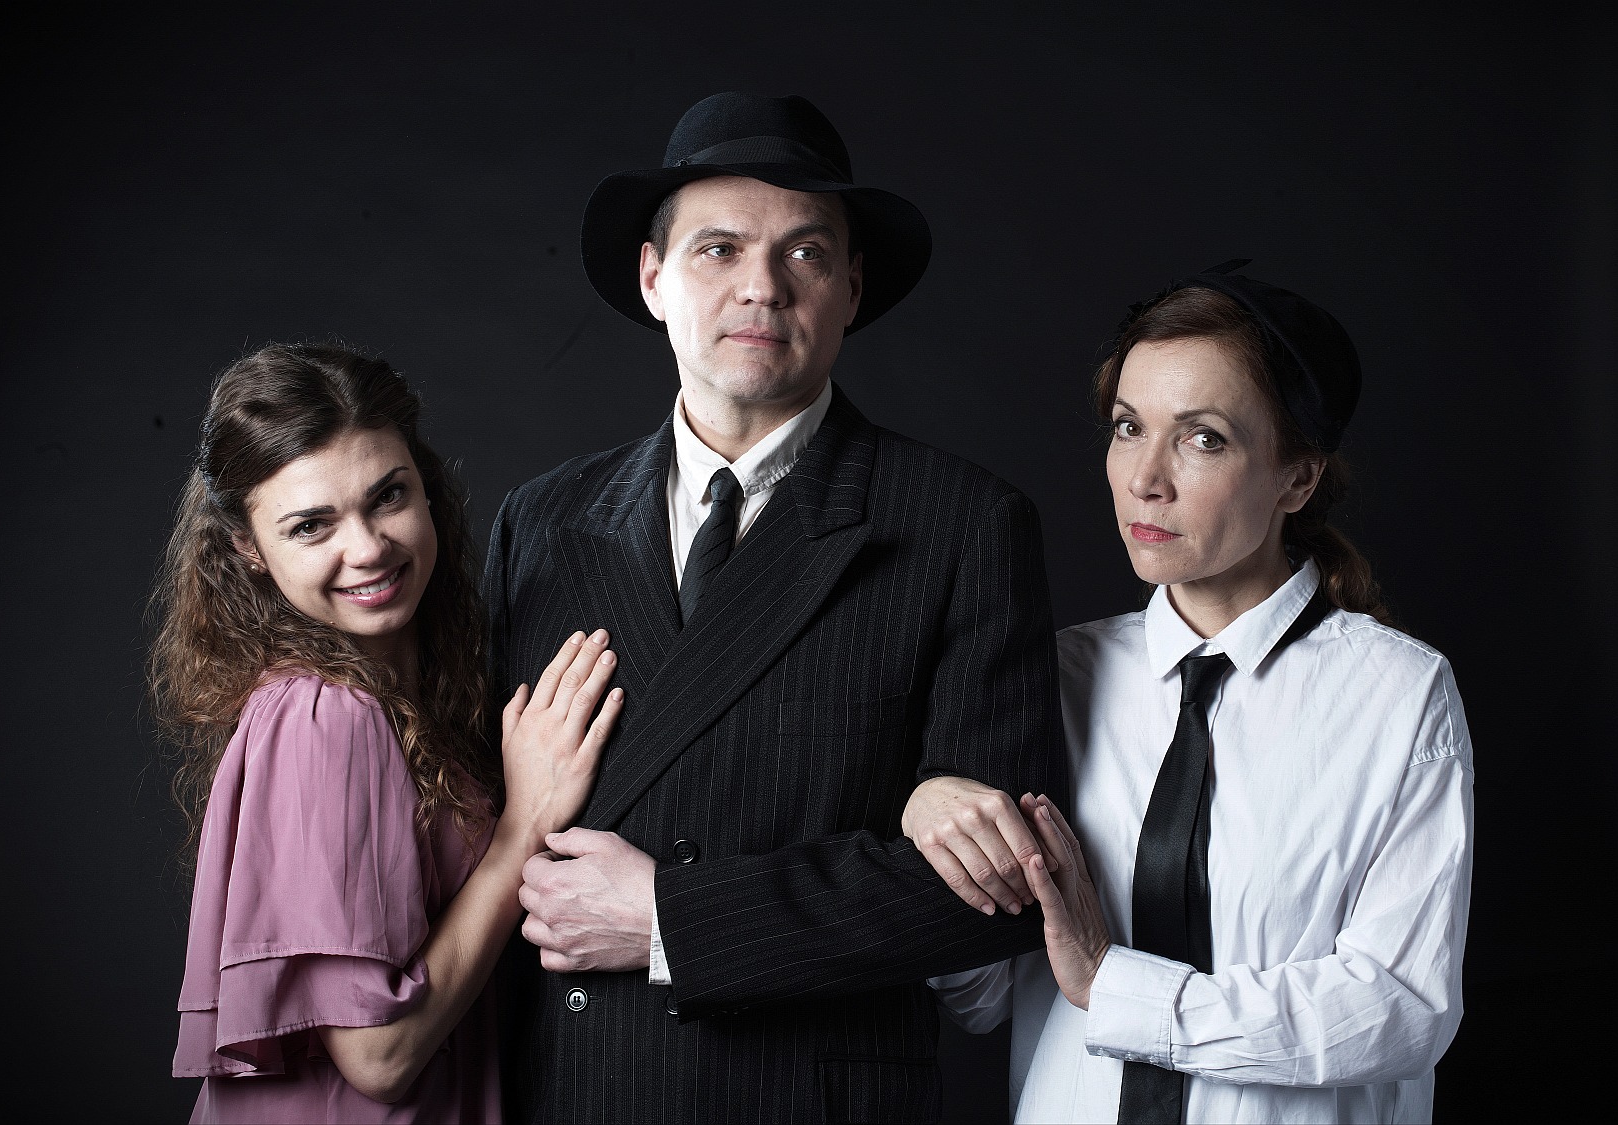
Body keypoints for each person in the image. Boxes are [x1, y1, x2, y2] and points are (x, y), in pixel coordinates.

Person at [486, 92, 1064, 1122]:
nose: (761, 285)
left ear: (851, 288)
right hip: (575, 1090)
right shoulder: (538, 520)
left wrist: (669, 918)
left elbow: (998, 894)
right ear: (653, 278)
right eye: (717, 249)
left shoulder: (962, 523)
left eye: (804, 253)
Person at [912, 264, 1475, 1123]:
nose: (1145, 478)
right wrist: (930, 824)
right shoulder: (1049, 676)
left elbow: (1399, 1009)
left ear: (1296, 478)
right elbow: (978, 994)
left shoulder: (1398, 694)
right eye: (1128, 426)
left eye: (1202, 438)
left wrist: (1117, 985)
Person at [152, 344, 624, 1123]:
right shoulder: (326, 714)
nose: (368, 546)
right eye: (311, 525)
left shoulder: (405, 692)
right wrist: (523, 825)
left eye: (387, 496)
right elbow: (379, 1055)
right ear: (247, 547)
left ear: (424, 486)